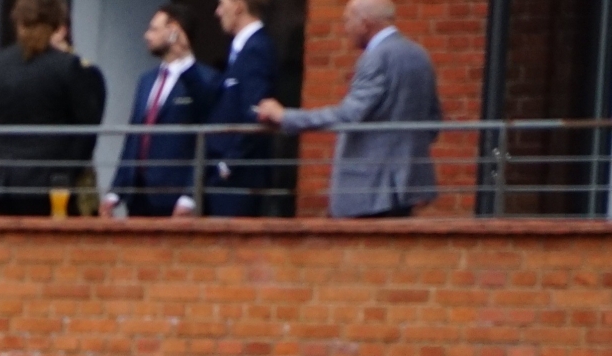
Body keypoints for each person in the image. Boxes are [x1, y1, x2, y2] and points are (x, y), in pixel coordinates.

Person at [255, 0, 439, 217]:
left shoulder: (375, 58)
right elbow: (433, 119)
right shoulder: (419, 55)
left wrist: (285, 116)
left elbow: (348, 115)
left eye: (347, 21)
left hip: (368, 188)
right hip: (407, 184)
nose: (345, 28)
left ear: (364, 24)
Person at [0, 0, 108, 217]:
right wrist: (69, 172)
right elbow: (86, 131)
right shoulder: (69, 67)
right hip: (53, 186)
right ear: (57, 26)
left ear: (18, 22)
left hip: (2, 185)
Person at [105, 5, 222, 217]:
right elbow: (133, 137)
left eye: (154, 29)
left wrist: (189, 196)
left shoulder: (206, 80)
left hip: (174, 197)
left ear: (174, 31)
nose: (146, 36)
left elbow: (207, 142)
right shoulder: (146, 80)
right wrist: (115, 191)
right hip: (138, 195)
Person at [205, 0, 281, 214]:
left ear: (238, 6)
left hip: (240, 178)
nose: (218, 12)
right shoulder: (241, 49)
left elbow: (255, 111)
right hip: (230, 177)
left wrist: (228, 165)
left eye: (222, 4)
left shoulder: (256, 48)